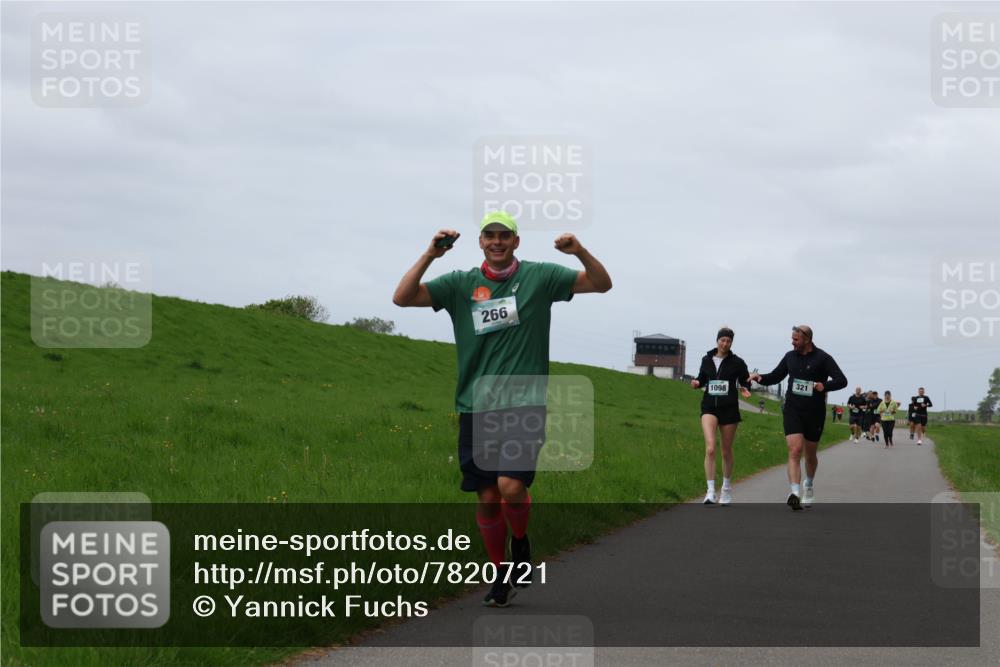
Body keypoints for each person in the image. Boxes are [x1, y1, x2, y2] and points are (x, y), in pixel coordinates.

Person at [392, 211, 612, 607]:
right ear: (480, 242)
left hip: (525, 402)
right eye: (490, 235)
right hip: (476, 406)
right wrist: (430, 254)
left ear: (516, 241)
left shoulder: (540, 277)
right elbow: (402, 297)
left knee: (511, 486)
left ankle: (522, 542)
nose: (497, 242)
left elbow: (601, 284)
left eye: (504, 235)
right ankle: (500, 575)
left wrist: (579, 251)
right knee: (488, 497)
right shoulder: (460, 284)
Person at [750, 325, 847, 510]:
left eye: (795, 339)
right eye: (792, 338)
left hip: (814, 412)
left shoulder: (823, 358)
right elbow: (775, 376)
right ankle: (794, 492)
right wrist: (758, 377)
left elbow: (842, 380)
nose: (792, 342)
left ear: (807, 340)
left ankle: (808, 485)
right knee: (794, 450)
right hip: (793, 410)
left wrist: (823, 386)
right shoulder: (790, 356)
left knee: (810, 454)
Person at [691, 327, 753, 506]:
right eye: (722, 340)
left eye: (728, 341)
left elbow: (744, 380)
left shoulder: (737, 362)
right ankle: (710, 491)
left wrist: (745, 388)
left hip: (729, 409)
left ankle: (726, 488)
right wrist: (696, 383)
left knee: (726, 450)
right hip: (709, 406)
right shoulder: (707, 359)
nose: (725, 344)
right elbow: (702, 378)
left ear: (731, 343)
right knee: (710, 448)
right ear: (717, 340)